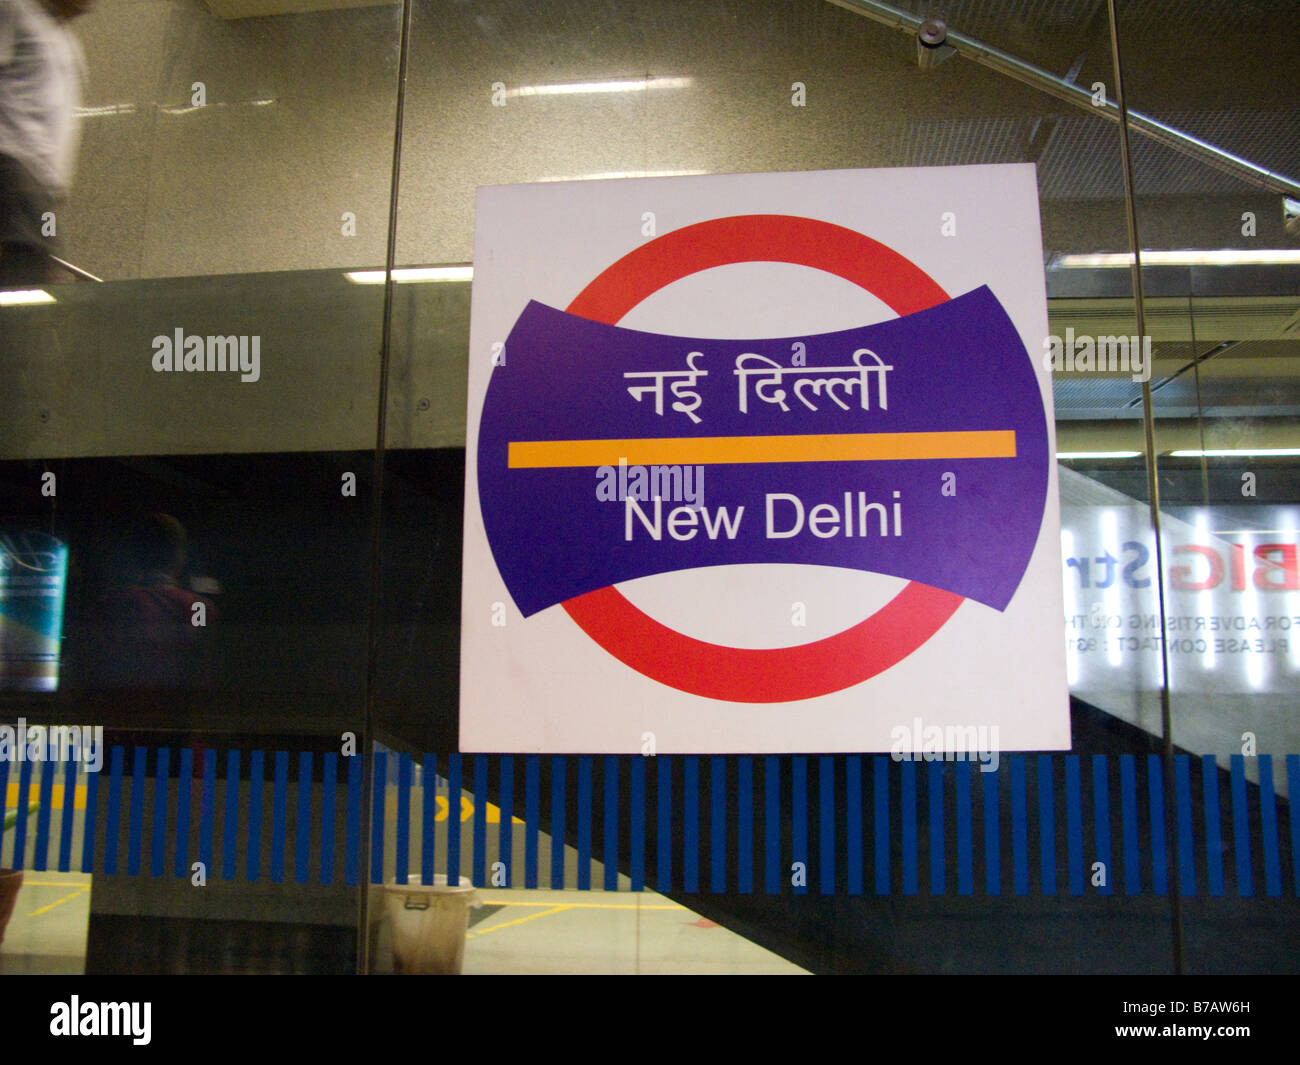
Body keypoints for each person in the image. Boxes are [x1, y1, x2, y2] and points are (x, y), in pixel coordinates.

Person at [0, 0, 93, 288]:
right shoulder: (13, 9)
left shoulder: (68, 44)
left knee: (36, 283)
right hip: (11, 171)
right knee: (21, 292)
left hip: (41, 193)